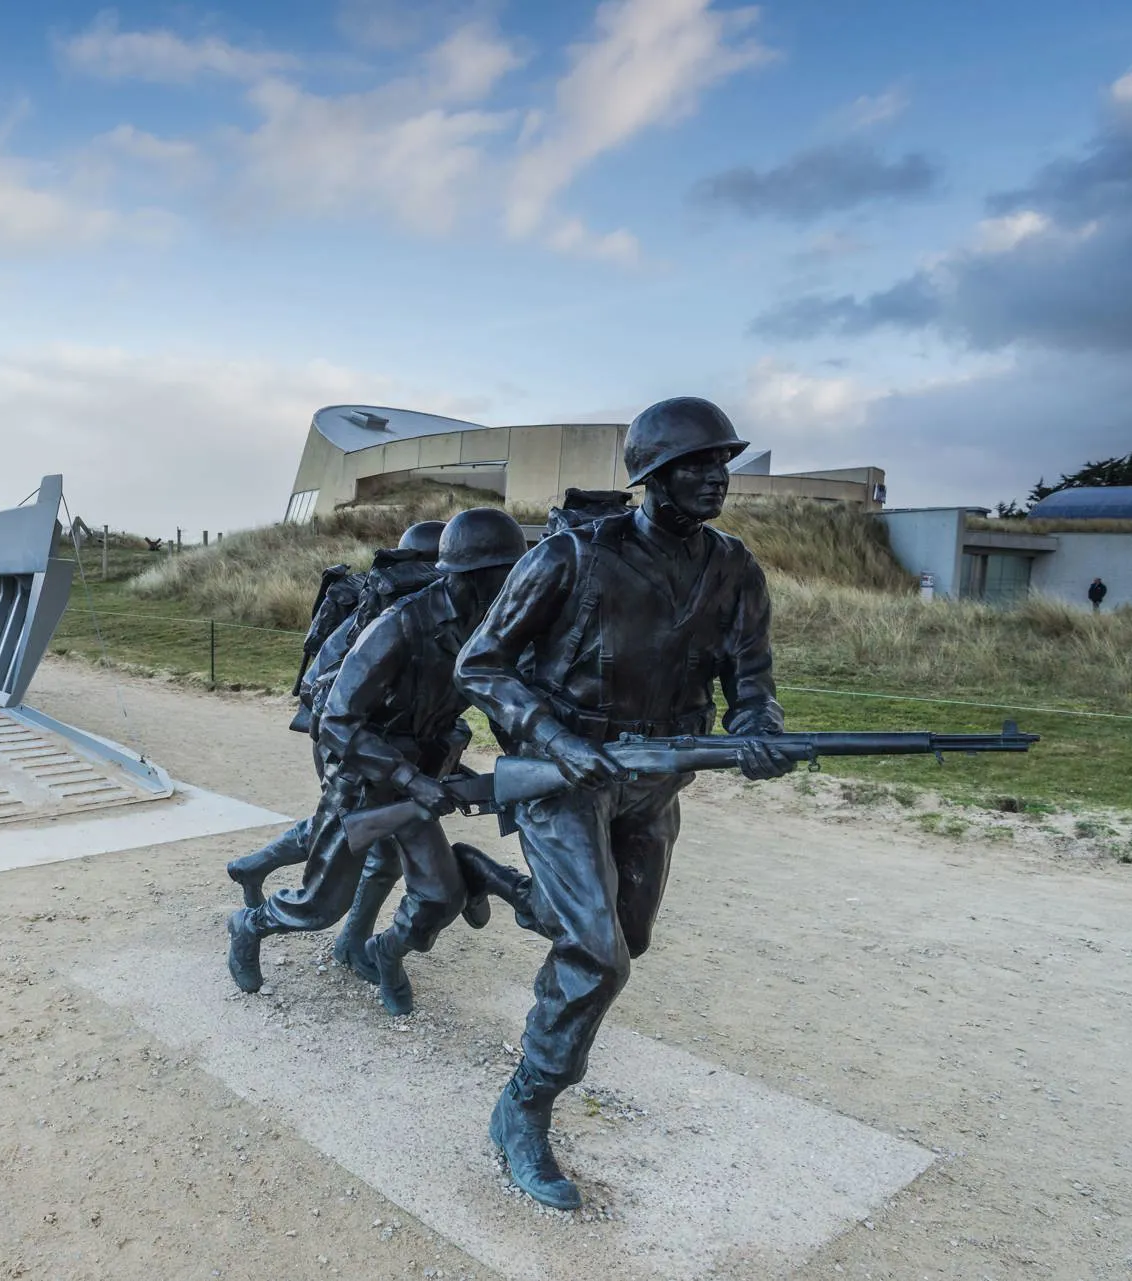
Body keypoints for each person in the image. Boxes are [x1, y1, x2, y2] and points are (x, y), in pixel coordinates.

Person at [455, 396, 795, 1210]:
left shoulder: (735, 569)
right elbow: (480, 663)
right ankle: (525, 1104)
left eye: (721, 463)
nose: (716, 477)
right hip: (564, 776)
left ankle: (506, 885)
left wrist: (759, 733)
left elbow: (752, 683)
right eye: (696, 465)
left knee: (625, 936)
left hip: (656, 780)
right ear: (654, 475)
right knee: (598, 955)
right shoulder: (571, 555)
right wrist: (553, 737)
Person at [227, 507, 529, 1016]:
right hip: (365, 778)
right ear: (472, 575)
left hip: (419, 780)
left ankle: (379, 951)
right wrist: (407, 777)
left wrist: (524, 765)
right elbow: (336, 722)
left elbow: (500, 701)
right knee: (320, 905)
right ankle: (249, 925)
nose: (516, 586)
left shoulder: (484, 628)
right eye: (506, 575)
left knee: (439, 895)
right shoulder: (400, 625)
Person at [225, 520, 447, 967]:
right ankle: (342, 938)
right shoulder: (386, 609)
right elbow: (325, 690)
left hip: (386, 746)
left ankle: (262, 871)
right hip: (350, 743)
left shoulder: (432, 612)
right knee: (361, 838)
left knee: (352, 831)